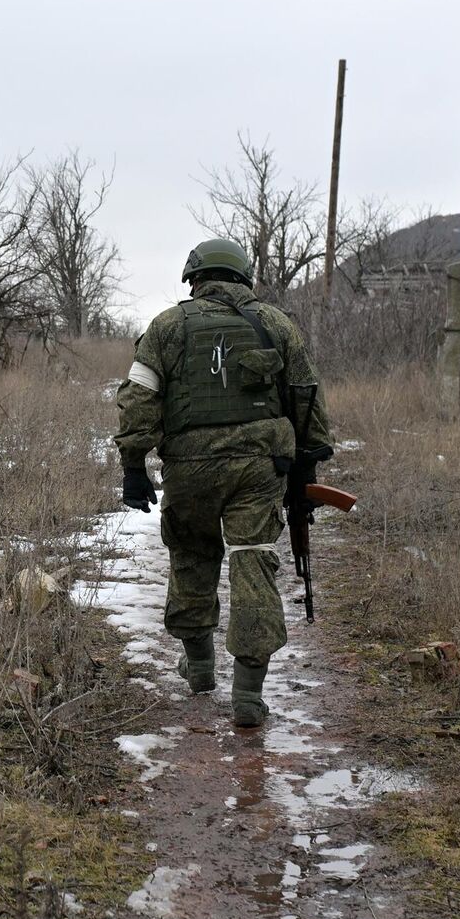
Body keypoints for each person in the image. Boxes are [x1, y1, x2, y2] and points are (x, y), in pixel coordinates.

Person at [113, 237, 332, 727]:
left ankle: (199, 668)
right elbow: (307, 400)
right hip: (259, 470)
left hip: (189, 467)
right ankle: (249, 696)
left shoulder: (167, 326)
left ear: (195, 277)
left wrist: (133, 464)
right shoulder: (275, 325)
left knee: (192, 555)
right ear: (243, 276)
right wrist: (308, 468)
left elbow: (139, 398)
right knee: (253, 562)